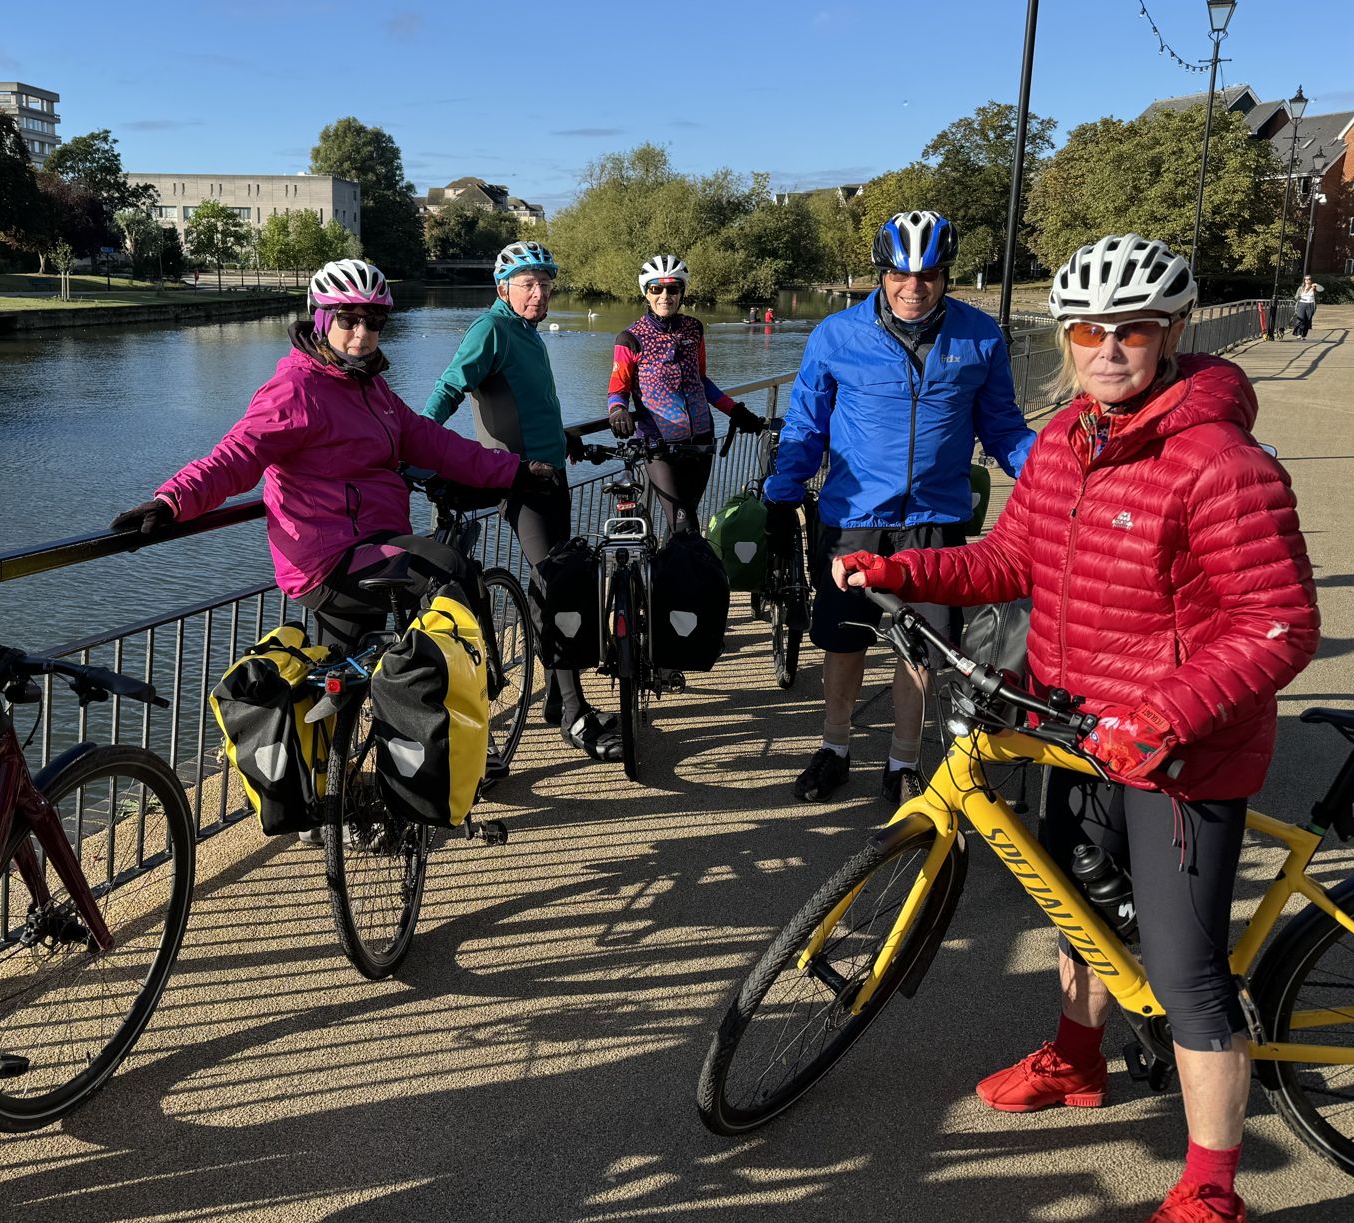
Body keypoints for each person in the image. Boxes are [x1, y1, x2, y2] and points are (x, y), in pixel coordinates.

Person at [836, 233, 1318, 1223]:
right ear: (1067, 339)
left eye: (1131, 330)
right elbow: (1012, 558)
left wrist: (1164, 715)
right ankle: (1077, 1057)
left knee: (1186, 978)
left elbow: (1278, 626)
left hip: (1179, 750)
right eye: (1088, 330)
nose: (1108, 348)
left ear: (1173, 333)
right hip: (1069, 722)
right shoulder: (1065, 439)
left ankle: (1215, 1200)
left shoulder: (1220, 460)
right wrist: (899, 567)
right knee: (1076, 899)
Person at [110, 259, 555, 653]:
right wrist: (172, 501)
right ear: (322, 321)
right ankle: (453, 711)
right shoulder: (296, 390)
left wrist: (513, 471)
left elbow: (431, 441)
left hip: (372, 542)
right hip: (332, 557)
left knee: (345, 677)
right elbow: (236, 456)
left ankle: (347, 741)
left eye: (374, 321)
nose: (362, 334)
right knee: (453, 572)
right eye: (348, 319)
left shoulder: (371, 387)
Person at [763, 210, 1034, 805]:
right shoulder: (835, 335)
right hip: (852, 517)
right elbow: (807, 426)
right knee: (844, 640)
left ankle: (902, 759)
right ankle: (835, 748)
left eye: (930, 275)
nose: (915, 288)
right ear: (882, 273)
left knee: (923, 646)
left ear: (946, 276)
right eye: (901, 275)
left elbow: (1004, 429)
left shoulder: (981, 336)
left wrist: (1056, 475)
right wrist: (784, 492)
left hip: (934, 520)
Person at [424, 241, 620, 762]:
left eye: (545, 283)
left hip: (551, 471)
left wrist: (563, 438)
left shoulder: (527, 333)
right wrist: (415, 445)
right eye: (528, 284)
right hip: (519, 481)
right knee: (560, 584)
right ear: (502, 288)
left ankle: (556, 698)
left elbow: (529, 403)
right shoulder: (491, 329)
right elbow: (448, 387)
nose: (539, 293)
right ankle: (576, 713)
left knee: (546, 585)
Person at [606, 255, 768, 535]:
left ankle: (671, 573)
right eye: (657, 289)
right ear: (646, 292)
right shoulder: (630, 338)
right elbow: (617, 389)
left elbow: (700, 381)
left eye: (673, 289)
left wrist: (736, 411)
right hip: (659, 446)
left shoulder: (694, 329)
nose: (665, 296)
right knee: (686, 527)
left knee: (685, 521)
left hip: (700, 443)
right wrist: (618, 411)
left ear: (682, 293)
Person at [1291, 274, 1322, 339]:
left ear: (1311, 280)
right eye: (1306, 279)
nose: (1307, 280)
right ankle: (1298, 333)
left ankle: (1304, 335)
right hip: (1302, 304)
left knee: (1307, 320)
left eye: (1309, 279)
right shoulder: (1301, 288)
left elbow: (1321, 291)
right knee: (1300, 319)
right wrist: (1299, 296)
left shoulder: (1314, 288)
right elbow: (1296, 297)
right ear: (1304, 280)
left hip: (1310, 305)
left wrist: (1316, 287)